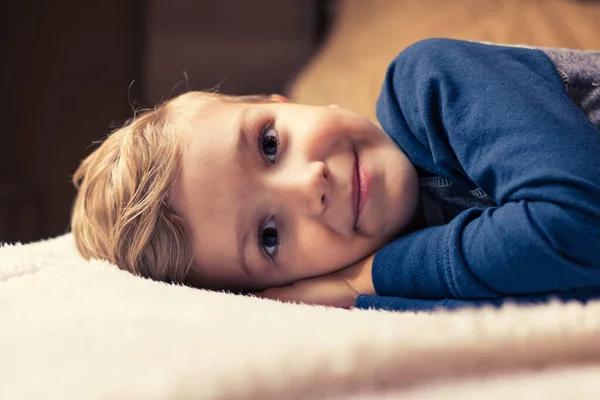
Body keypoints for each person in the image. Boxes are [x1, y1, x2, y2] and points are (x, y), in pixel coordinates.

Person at [71, 39, 600, 312]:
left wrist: (359, 280)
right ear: (286, 286)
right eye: (269, 236)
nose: (310, 186)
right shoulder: (405, 287)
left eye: (270, 144)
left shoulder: (430, 83)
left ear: (283, 102)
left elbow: (573, 227)